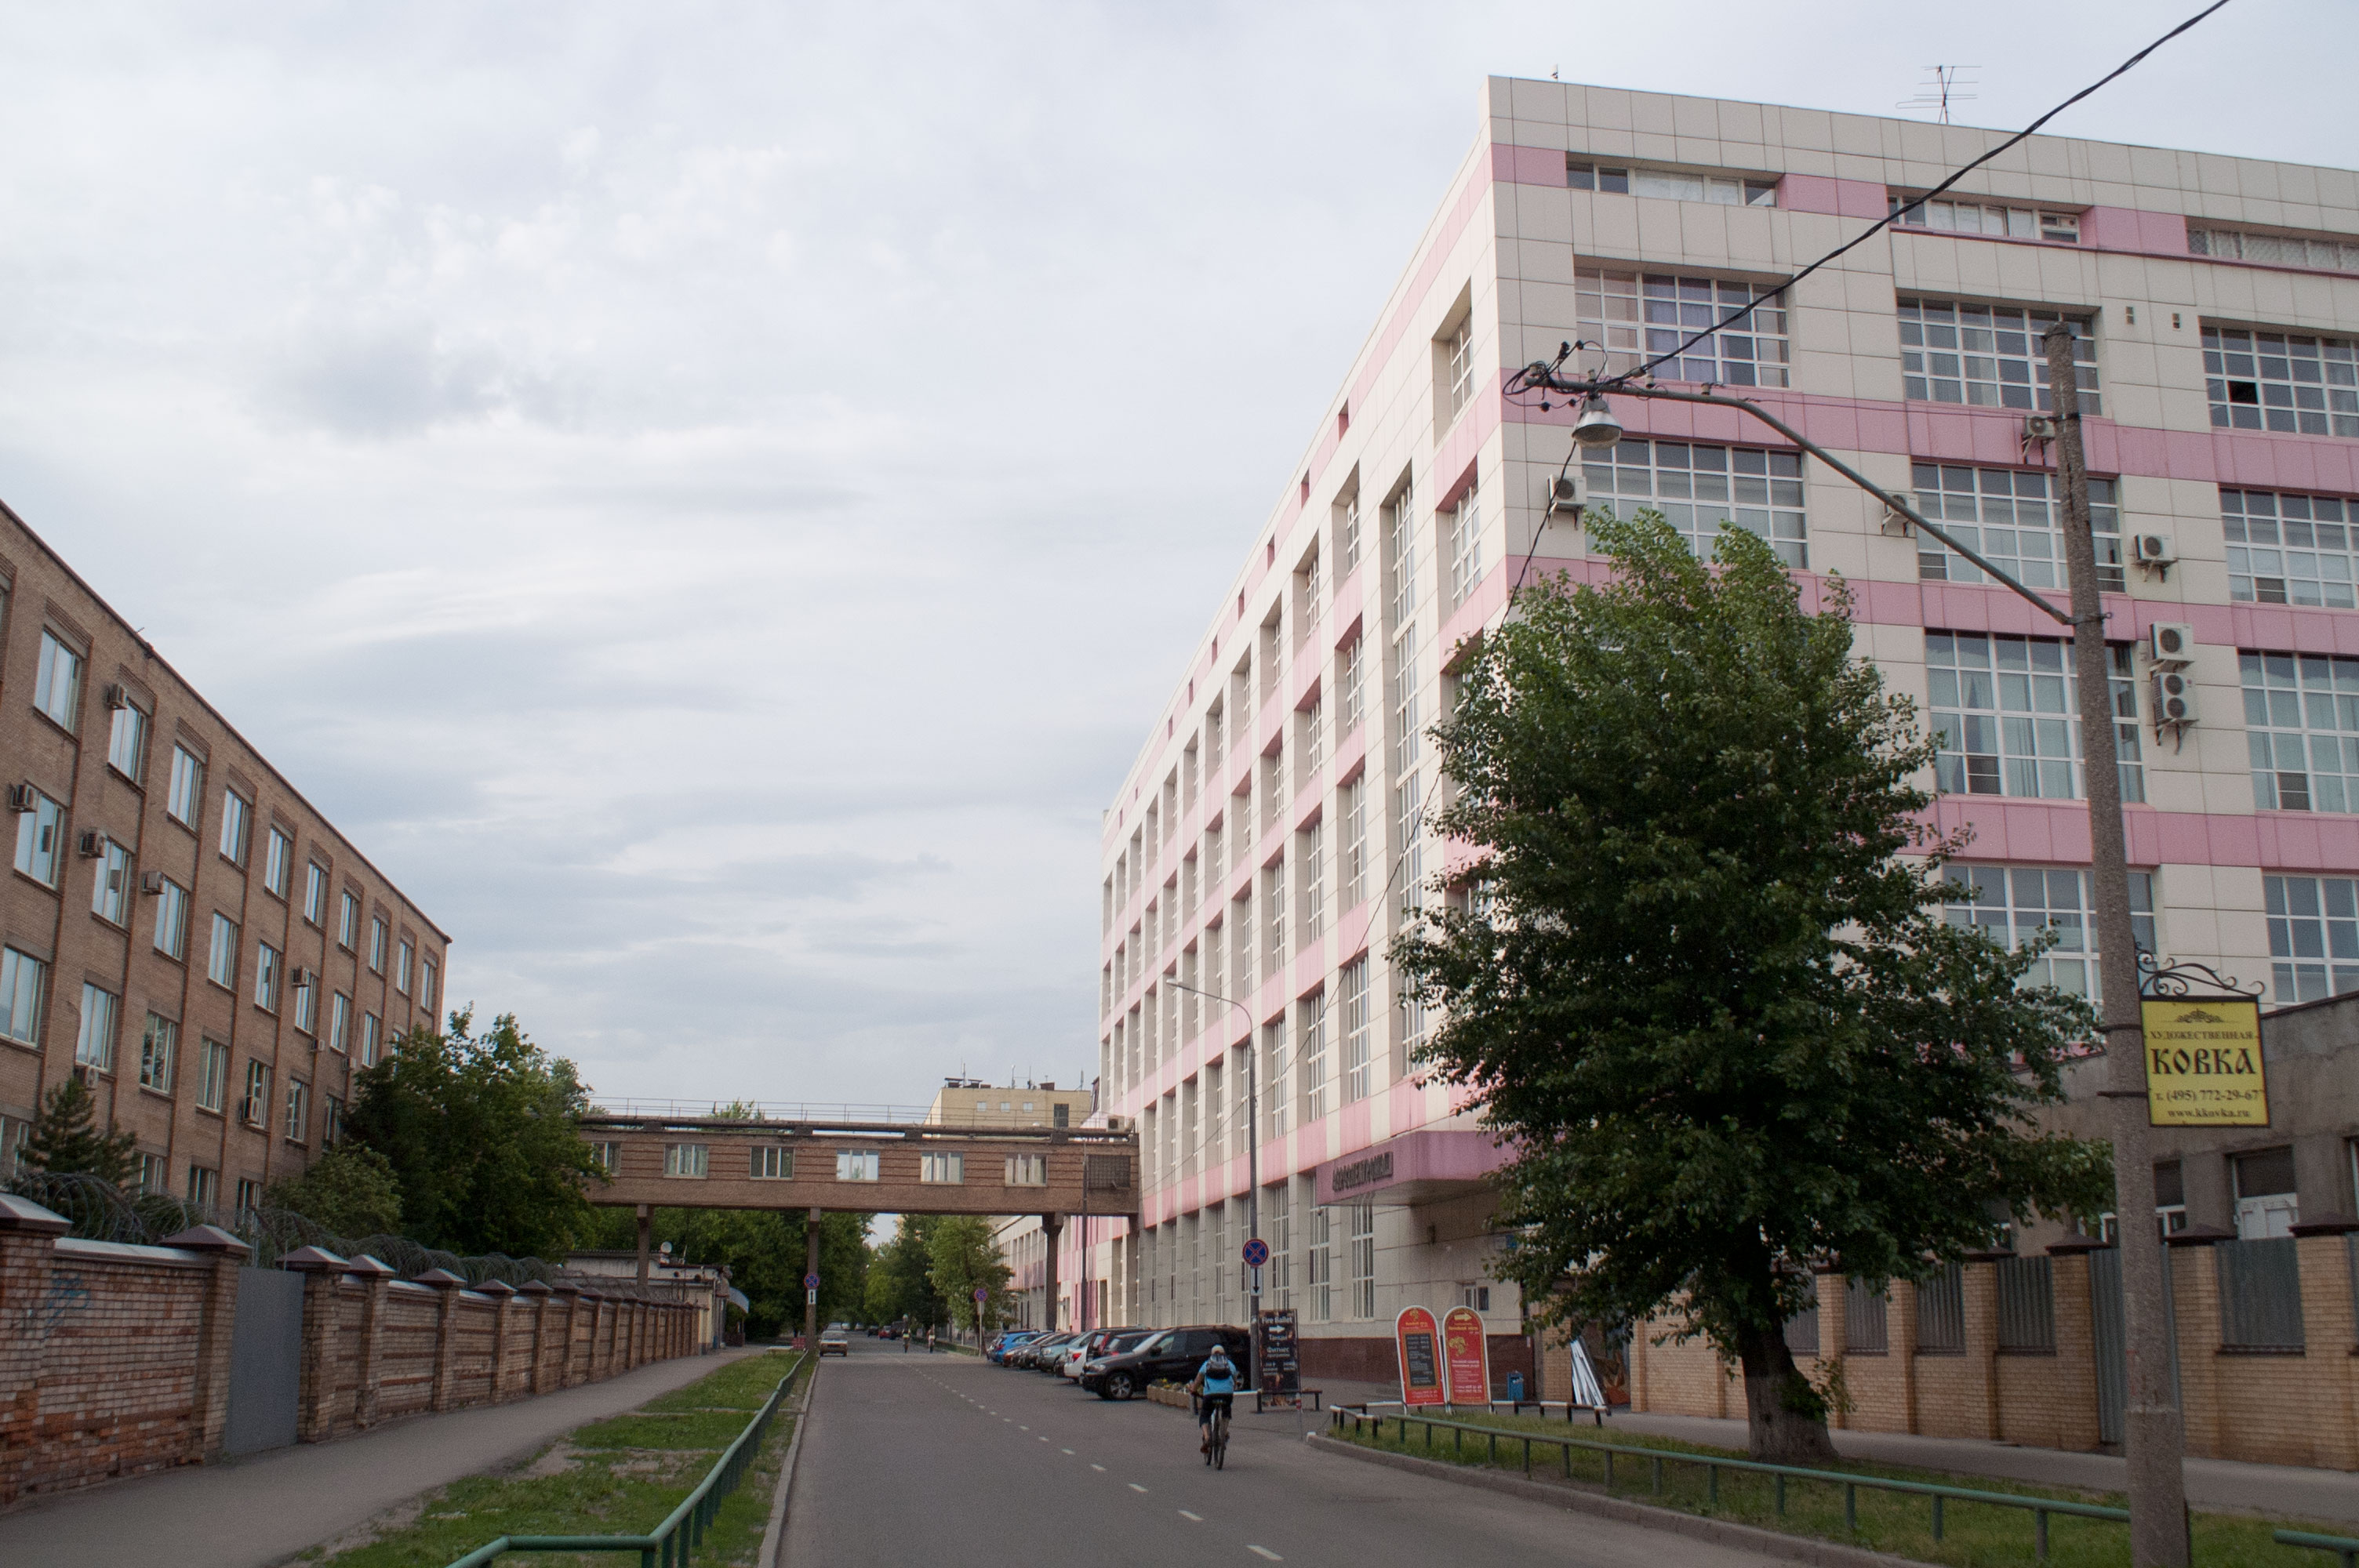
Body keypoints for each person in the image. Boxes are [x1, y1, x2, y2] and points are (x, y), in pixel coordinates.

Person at [1189, 1344, 1238, 1454]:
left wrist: (1193, 1389)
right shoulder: (1229, 1364)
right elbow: (1235, 1382)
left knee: (1205, 1414)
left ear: (1211, 1354)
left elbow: (1198, 1380)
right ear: (1224, 1354)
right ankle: (1223, 1434)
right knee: (1226, 1412)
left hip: (1210, 1395)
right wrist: (1231, 1391)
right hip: (1226, 1395)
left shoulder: (1207, 1364)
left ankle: (1207, 1438)